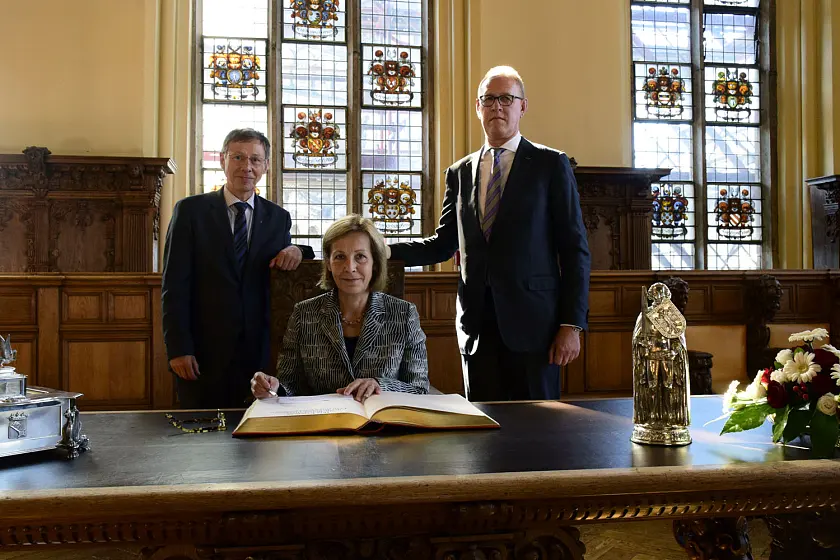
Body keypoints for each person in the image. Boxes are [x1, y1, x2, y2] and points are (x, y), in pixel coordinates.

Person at [388, 66, 591, 401]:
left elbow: (574, 250)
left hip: (535, 328)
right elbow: (442, 245)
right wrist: (380, 250)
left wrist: (572, 324)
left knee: (539, 434)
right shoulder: (459, 172)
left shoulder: (549, 165)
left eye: (506, 99)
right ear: (478, 107)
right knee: (483, 436)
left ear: (522, 106)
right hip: (477, 327)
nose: (497, 106)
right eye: (489, 99)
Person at [162, 128, 310, 409]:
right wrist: (179, 348)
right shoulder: (190, 212)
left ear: (266, 165)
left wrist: (298, 250)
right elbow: (174, 286)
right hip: (202, 353)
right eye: (238, 157)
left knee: (257, 442)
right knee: (202, 442)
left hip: (259, 356)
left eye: (255, 159)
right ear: (222, 160)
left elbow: (287, 263)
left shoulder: (278, 218)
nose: (247, 167)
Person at [251, 214, 429, 402]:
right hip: (323, 423)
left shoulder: (404, 314)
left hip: (384, 425)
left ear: (375, 263)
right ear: (328, 263)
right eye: (340, 257)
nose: (349, 267)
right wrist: (273, 388)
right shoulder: (304, 314)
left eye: (360, 256)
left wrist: (380, 385)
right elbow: (290, 384)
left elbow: (419, 389)